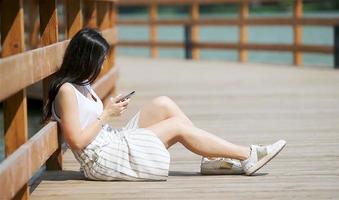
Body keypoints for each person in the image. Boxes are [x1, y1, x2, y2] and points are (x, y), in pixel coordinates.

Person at [43, 28, 286, 181]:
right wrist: (106, 114)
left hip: (111, 141)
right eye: (101, 60)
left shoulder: (82, 84)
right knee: (177, 127)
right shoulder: (66, 91)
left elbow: (89, 122)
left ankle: (211, 159)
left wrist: (108, 109)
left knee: (163, 104)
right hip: (101, 159)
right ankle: (248, 154)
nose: (103, 65)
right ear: (86, 59)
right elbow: (75, 141)